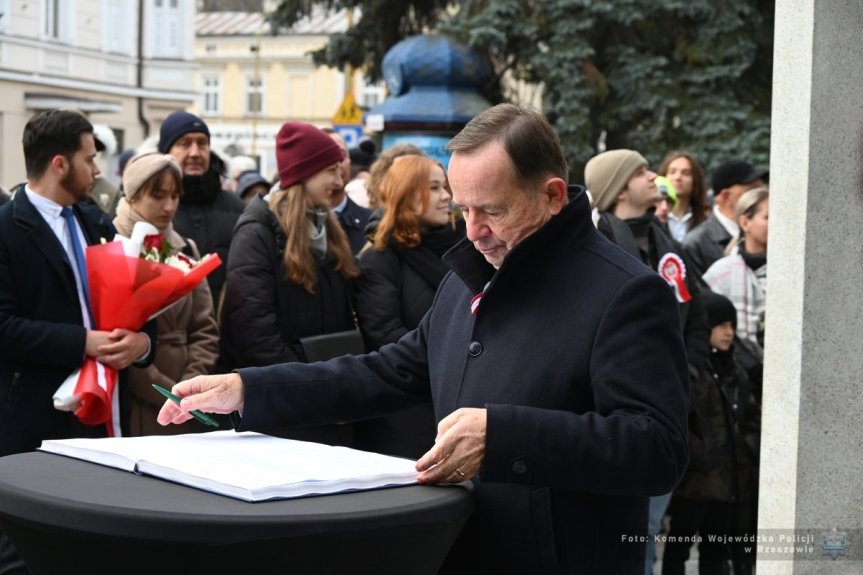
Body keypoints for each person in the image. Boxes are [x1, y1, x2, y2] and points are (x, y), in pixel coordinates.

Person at [159, 104, 690, 574]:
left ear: (552, 196)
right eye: (462, 210)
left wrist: (505, 436)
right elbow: (387, 371)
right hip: (464, 546)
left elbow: (657, 447)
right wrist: (248, 389)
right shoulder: (472, 273)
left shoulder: (626, 292)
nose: (473, 231)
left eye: (493, 210)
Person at [0, 110, 154, 573]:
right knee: (27, 553)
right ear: (59, 164)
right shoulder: (7, 228)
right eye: (89, 159)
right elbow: (4, 328)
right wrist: (83, 342)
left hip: (103, 415)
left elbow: (137, 304)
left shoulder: (94, 221)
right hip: (36, 417)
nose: (98, 170)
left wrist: (141, 344)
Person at [584, 148, 709, 575]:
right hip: (620, 414)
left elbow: (697, 311)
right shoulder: (597, 246)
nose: (654, 176)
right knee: (623, 534)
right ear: (618, 190)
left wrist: (686, 371)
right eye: (641, 172)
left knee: (651, 528)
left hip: (669, 404)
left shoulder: (665, 242)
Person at [217, 122, 359, 444]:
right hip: (286, 403)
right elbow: (253, 330)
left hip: (326, 397)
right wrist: (307, 386)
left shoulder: (327, 228)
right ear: (305, 174)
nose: (339, 181)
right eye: (331, 171)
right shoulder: (257, 232)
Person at [352, 154, 465, 458]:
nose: (446, 197)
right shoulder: (379, 256)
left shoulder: (466, 247)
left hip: (461, 400)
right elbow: (385, 333)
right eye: (434, 188)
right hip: (405, 412)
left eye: (446, 187)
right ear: (407, 193)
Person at [113, 153, 220, 436]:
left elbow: (205, 328)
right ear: (133, 196)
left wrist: (190, 385)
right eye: (158, 196)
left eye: (175, 196)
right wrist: (165, 392)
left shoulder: (185, 248)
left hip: (188, 394)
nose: (169, 206)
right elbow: (116, 336)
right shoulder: (115, 245)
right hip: (138, 395)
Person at [661, 291, 760, 575]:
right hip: (695, 482)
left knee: (716, 551)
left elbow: (751, 418)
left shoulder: (736, 372)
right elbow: (679, 420)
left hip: (729, 480)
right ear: (705, 327)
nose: (729, 333)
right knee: (678, 546)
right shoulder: (691, 372)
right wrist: (699, 454)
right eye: (722, 326)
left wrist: (745, 450)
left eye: (732, 325)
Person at [159, 111, 246, 302]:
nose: (195, 153)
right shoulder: (153, 210)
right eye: (184, 144)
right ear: (166, 153)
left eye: (202, 143)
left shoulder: (239, 210)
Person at [702, 187, 769, 400]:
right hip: (738, 382)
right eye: (767, 217)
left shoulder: (793, 273)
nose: (777, 223)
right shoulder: (720, 273)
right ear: (745, 223)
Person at [683, 159, 767, 277]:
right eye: (751, 192)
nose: (761, 198)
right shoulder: (696, 243)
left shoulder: (766, 232)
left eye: (762, 190)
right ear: (726, 196)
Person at [324, 129, 373, 254]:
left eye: (342, 155)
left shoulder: (371, 224)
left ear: (350, 162)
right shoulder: (295, 223)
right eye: (327, 156)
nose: (337, 164)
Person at [658, 151, 709, 242]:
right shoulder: (655, 216)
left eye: (686, 173)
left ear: (695, 180)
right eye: (672, 172)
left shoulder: (706, 219)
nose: (678, 177)